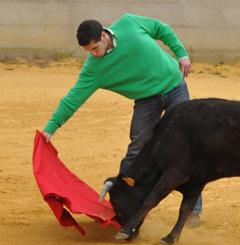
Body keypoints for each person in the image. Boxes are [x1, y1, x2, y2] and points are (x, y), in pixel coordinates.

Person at [43, 13, 202, 227]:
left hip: (175, 86)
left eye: (95, 48)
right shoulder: (94, 69)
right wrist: (51, 127)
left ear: (103, 35)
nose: (94, 55)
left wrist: (181, 54)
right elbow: (73, 98)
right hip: (147, 100)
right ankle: (123, 205)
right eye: (89, 52)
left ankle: (193, 209)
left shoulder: (129, 23)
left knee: (183, 148)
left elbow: (161, 28)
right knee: (137, 147)